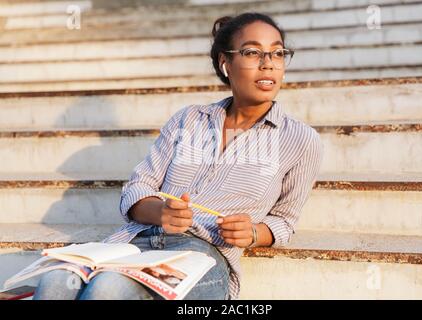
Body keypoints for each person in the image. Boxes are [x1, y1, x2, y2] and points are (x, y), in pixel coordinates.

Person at [33, 12, 324, 300]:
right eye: (252, 52)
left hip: (200, 254)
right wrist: (162, 212)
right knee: (55, 281)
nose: (268, 64)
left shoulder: (300, 139)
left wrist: (253, 233)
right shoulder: (188, 119)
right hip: (135, 242)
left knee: (108, 289)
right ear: (226, 64)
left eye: (277, 53)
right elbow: (137, 189)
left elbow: (285, 221)